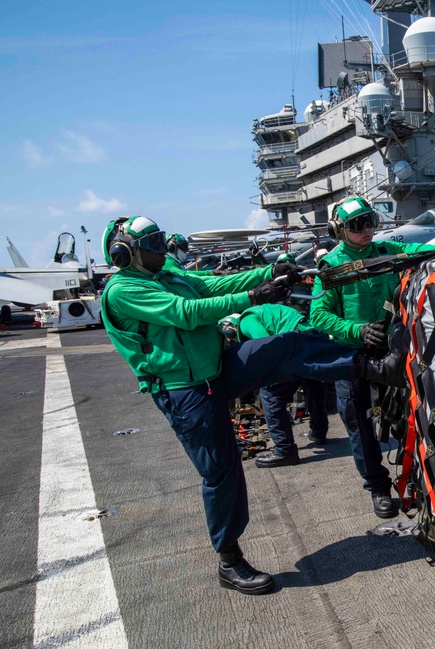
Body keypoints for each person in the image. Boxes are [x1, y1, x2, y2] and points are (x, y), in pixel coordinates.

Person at [100, 215, 402, 595]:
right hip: (185, 391)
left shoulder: (165, 275)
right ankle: (229, 561)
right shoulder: (124, 289)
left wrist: (270, 271)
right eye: (153, 246)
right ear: (126, 254)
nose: (162, 252)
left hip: (218, 370)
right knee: (222, 473)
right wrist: (252, 298)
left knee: (285, 345)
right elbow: (187, 313)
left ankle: (370, 366)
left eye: (162, 243)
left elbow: (212, 283)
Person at [311, 196, 435, 520]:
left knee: (412, 413)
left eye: (370, 222)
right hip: (353, 355)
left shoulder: (384, 254)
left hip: (392, 347)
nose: (366, 230)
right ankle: (378, 488)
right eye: (357, 225)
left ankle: (418, 477)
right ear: (339, 229)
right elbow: (319, 316)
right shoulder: (331, 267)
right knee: (360, 424)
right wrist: (356, 331)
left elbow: (418, 255)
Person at [218, 305, 331, 467]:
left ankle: (285, 451)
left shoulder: (246, 320)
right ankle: (319, 432)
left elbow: (267, 346)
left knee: (271, 396)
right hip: (313, 334)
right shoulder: (261, 312)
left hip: (295, 340)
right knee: (312, 383)